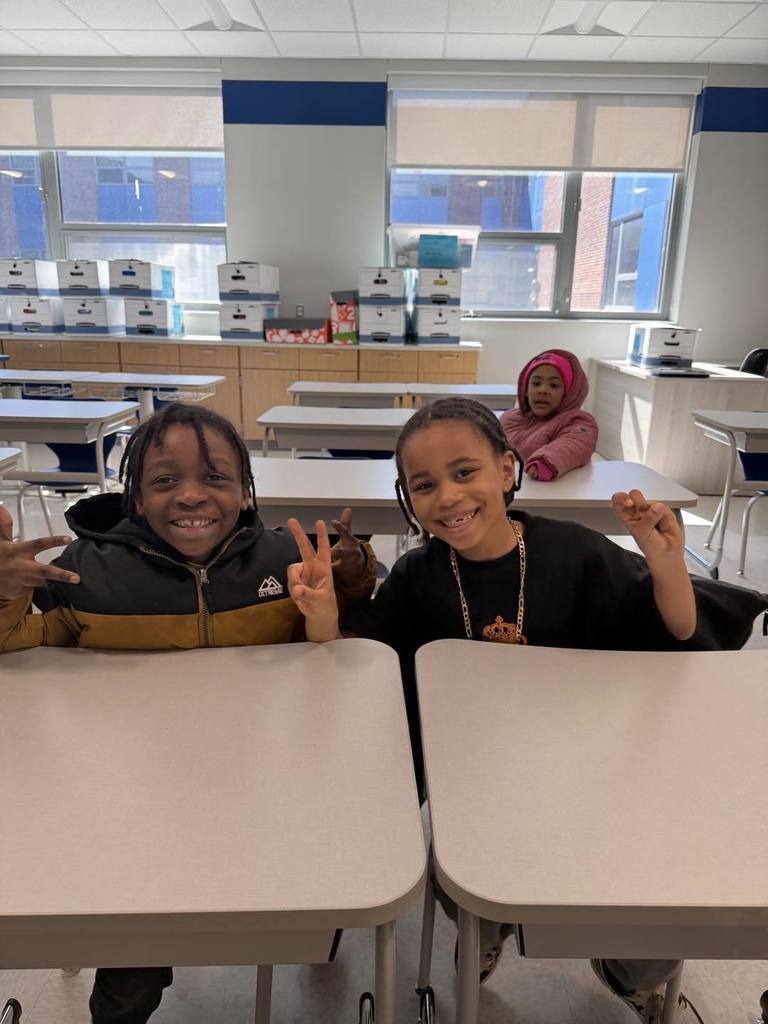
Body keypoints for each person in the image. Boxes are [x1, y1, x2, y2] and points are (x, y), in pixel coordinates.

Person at [307, 397, 766, 1024]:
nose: (447, 496)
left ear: (506, 468)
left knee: (653, 904)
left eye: (465, 472)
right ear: (407, 497)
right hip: (482, 783)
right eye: (424, 484)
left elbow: (677, 636)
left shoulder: (576, 553)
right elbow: (370, 662)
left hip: (590, 771)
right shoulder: (419, 574)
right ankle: (487, 932)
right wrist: (326, 618)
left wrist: (665, 565)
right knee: (466, 884)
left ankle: (629, 972)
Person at [0, 401, 374, 1023]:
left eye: (216, 478)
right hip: (140, 797)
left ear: (246, 490)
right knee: (139, 943)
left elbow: (347, 606)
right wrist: (4, 592)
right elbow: (17, 649)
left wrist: (353, 565)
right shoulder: (85, 572)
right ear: (134, 499)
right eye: (165, 480)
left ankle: (310, 930)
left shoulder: (282, 557)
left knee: (309, 899)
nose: (191, 496)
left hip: (268, 784)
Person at [500, 349, 598, 480]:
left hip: (544, 495)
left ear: (568, 393)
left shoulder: (577, 421)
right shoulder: (509, 418)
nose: (543, 390)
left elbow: (575, 444)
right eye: (536, 383)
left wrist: (547, 462)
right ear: (525, 389)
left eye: (554, 385)